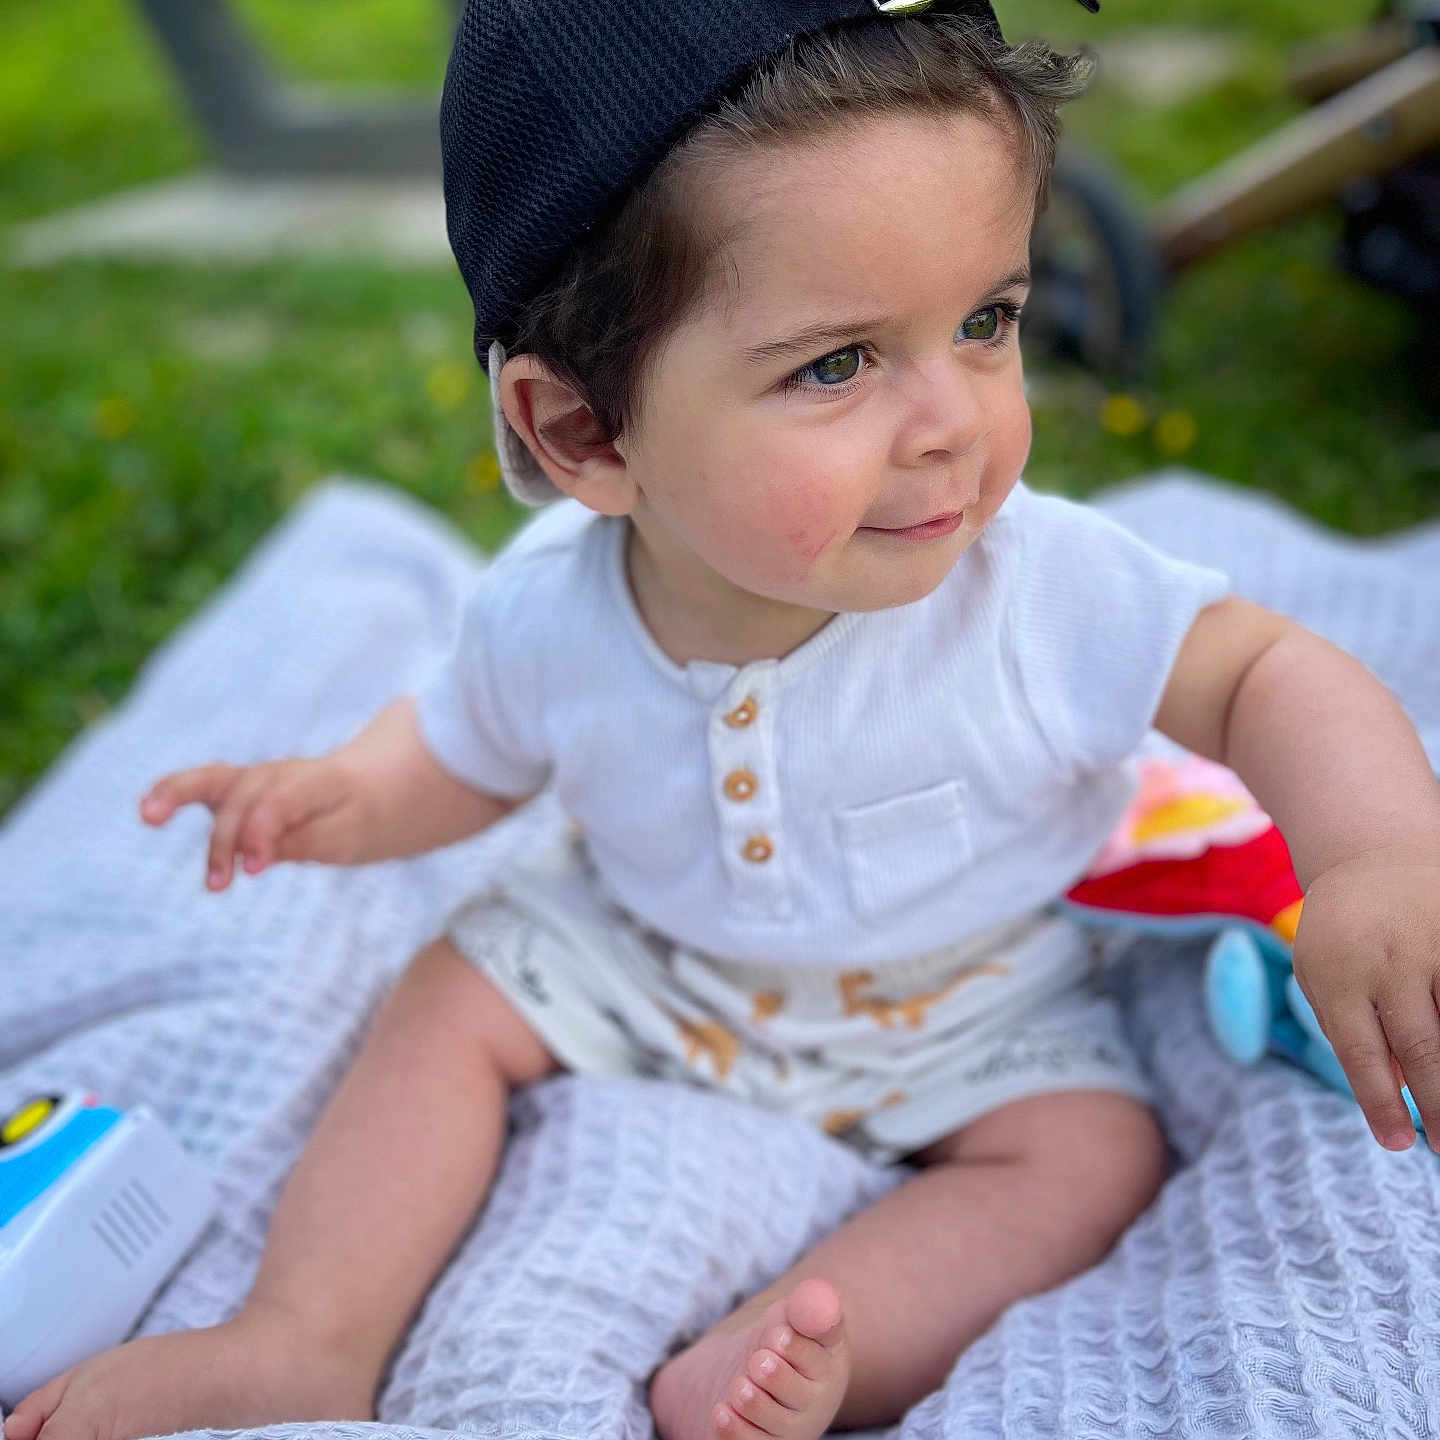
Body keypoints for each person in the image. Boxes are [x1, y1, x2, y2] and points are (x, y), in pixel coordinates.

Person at [10, 0, 1440, 1437]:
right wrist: (345, 796)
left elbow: (1262, 673)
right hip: (645, 954)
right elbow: (456, 748)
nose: (955, 420)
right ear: (585, 433)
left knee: (1090, 1153)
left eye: (986, 321)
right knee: (447, 997)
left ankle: (794, 1353)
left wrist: (1376, 853)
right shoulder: (548, 614)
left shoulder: (1038, 592)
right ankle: (306, 1334)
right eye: (837, 364)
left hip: (966, 997)